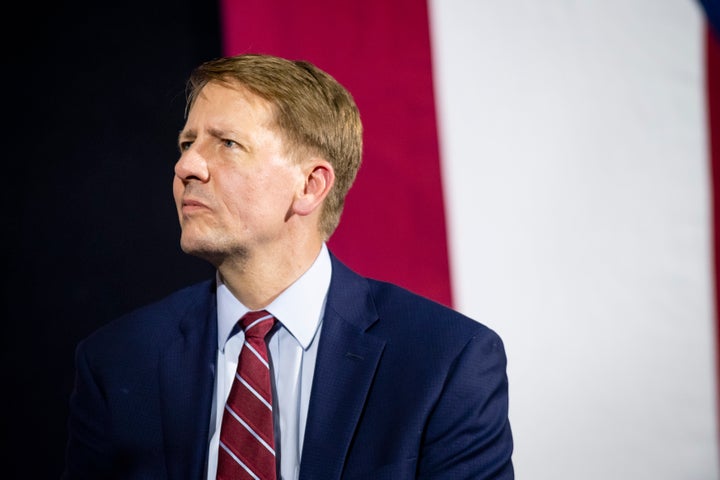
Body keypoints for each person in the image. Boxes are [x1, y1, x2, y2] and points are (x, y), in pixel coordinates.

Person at [62, 53, 514, 480]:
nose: (186, 165)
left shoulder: (446, 362)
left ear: (309, 186)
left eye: (227, 143)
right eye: (187, 142)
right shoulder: (118, 362)